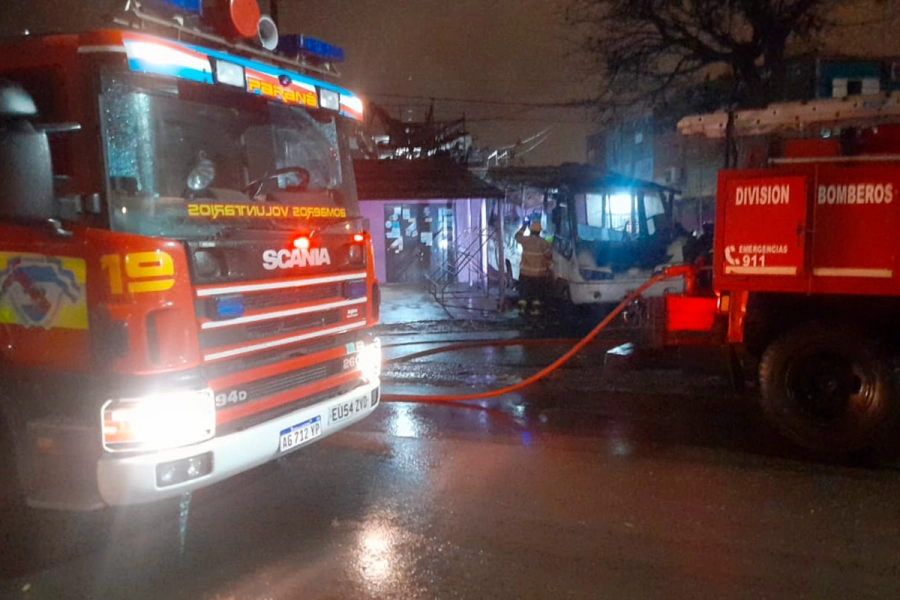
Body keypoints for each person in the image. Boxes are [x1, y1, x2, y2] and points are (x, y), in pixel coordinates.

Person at [515, 218, 553, 316]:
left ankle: (522, 310)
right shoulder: (543, 243)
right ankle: (535, 311)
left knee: (523, 292)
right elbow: (549, 256)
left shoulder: (525, 240)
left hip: (525, 273)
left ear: (531, 230)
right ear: (540, 232)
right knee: (537, 294)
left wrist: (524, 226)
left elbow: (517, 236)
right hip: (539, 274)